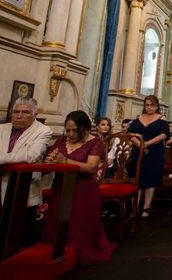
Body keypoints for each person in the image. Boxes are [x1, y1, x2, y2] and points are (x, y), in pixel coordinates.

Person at [43, 111, 116, 264]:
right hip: (60, 187)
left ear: (84, 128)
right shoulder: (61, 142)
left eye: (74, 130)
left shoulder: (94, 142)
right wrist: (49, 163)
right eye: (67, 130)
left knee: (77, 232)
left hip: (83, 190)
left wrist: (65, 161)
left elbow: (91, 168)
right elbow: (50, 163)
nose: (70, 134)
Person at [0, 97, 51, 245]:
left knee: (16, 240)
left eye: (25, 112)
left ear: (34, 114)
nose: (19, 116)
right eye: (16, 112)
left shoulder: (43, 131)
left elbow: (31, 156)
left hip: (20, 191)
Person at [127, 95, 170, 218]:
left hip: (154, 153)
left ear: (157, 106)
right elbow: (130, 133)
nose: (149, 107)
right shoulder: (138, 118)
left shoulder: (162, 119)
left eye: (152, 105)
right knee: (137, 178)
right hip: (138, 152)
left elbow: (163, 135)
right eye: (147, 105)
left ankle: (146, 207)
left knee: (150, 179)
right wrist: (140, 145)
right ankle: (134, 206)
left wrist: (147, 144)